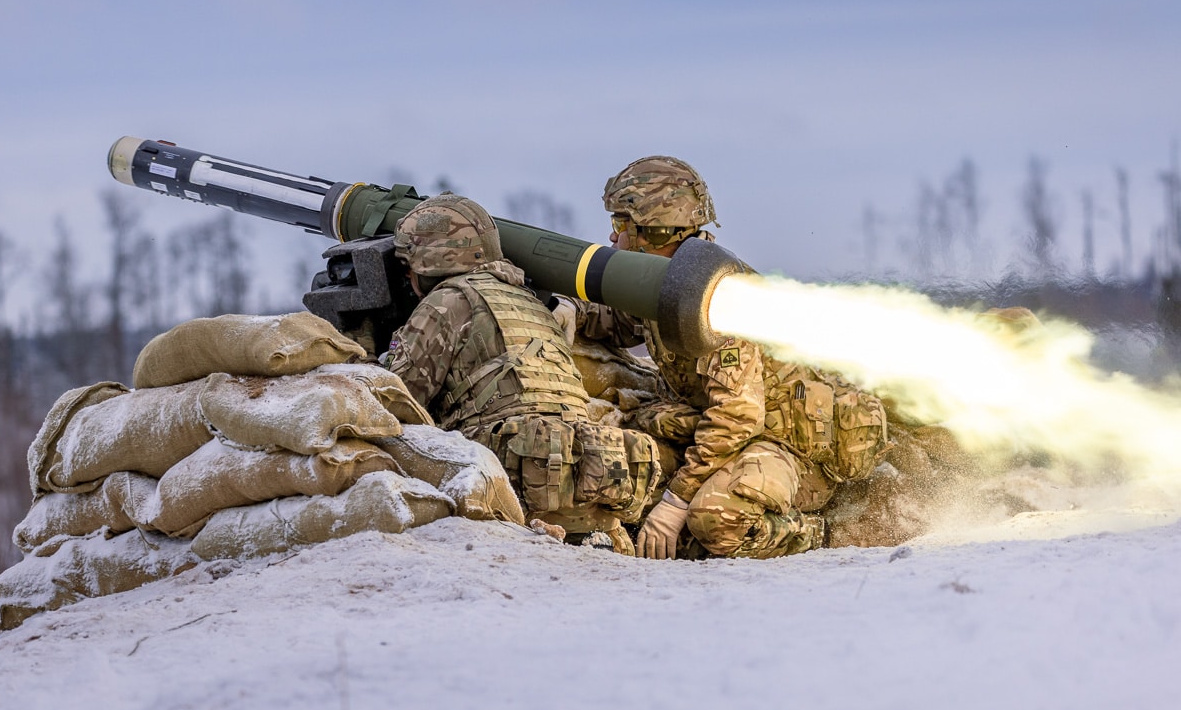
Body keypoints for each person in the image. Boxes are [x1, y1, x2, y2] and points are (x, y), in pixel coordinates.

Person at [568, 156, 889, 560]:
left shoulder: (718, 294)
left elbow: (736, 416)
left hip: (785, 445)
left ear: (654, 229)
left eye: (621, 225)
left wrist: (676, 501)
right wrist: (573, 313)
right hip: (731, 437)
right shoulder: (668, 280)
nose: (613, 239)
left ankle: (830, 533)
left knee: (716, 519)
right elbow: (622, 325)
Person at [381, 192, 660, 553]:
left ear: (423, 263)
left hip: (517, 492)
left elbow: (396, 402)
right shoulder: (530, 300)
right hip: (592, 483)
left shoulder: (447, 302)